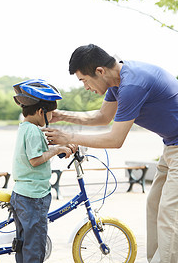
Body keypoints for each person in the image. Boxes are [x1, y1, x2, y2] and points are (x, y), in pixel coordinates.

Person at [44, 44, 178, 263]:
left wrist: (69, 138)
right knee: (154, 205)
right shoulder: (119, 82)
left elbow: (115, 140)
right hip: (172, 145)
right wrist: (61, 115)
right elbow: (102, 117)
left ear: (100, 71)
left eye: (84, 80)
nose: (85, 87)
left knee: (170, 214)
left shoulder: (133, 85)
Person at [10, 79, 76, 263]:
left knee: (24, 242)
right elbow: (35, 159)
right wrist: (56, 150)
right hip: (34, 197)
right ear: (41, 112)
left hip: (22, 195)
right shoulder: (33, 131)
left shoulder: (25, 127)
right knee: (36, 245)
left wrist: (60, 147)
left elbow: (38, 153)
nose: (52, 117)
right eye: (51, 113)